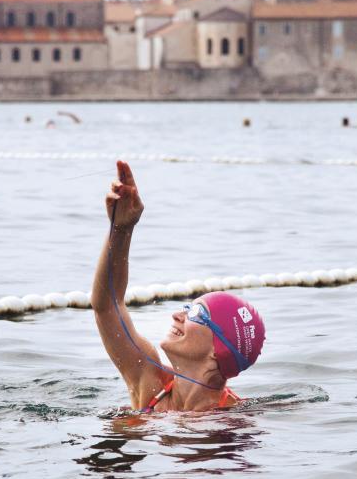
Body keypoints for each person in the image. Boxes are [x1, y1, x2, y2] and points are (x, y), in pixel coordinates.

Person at [94, 161, 266, 413]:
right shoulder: (149, 382)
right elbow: (107, 306)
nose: (177, 315)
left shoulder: (229, 419)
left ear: (218, 351)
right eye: (188, 308)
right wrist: (121, 229)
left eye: (196, 314)